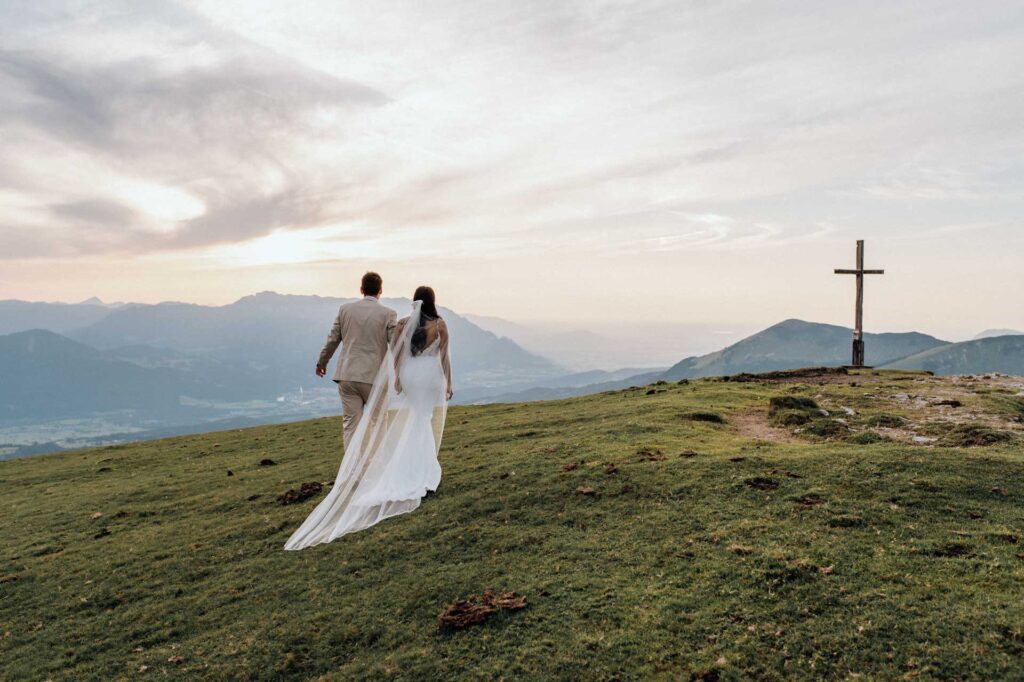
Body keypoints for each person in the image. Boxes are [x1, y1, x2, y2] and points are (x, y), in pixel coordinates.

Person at [285, 286, 453, 549]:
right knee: (416, 421)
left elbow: (394, 353)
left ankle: (363, 468)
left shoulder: (401, 323)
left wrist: (398, 376)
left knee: (367, 424)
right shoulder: (435, 323)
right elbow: (443, 357)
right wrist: (448, 383)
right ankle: (418, 470)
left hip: (396, 376)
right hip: (425, 377)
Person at [316, 272, 397, 450]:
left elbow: (332, 340)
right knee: (378, 425)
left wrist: (322, 362)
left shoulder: (345, 310)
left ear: (361, 289)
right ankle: (376, 469)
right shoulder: (388, 314)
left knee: (351, 426)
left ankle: (352, 474)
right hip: (376, 377)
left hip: (348, 375)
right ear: (380, 290)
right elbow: (396, 345)